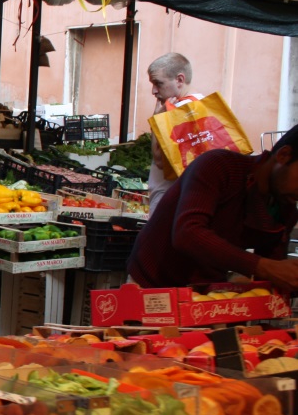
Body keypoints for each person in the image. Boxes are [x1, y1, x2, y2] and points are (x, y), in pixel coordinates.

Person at [127, 122, 298, 294]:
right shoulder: (218, 166)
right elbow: (187, 232)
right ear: (283, 155)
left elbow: (273, 272)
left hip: (206, 292)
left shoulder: (285, 207)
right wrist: (263, 266)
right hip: (152, 285)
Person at [145, 53, 203, 216]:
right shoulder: (202, 103)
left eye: (158, 83)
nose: (153, 91)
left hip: (169, 198)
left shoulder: (178, 112)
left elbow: (160, 160)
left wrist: (156, 121)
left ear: (179, 79)